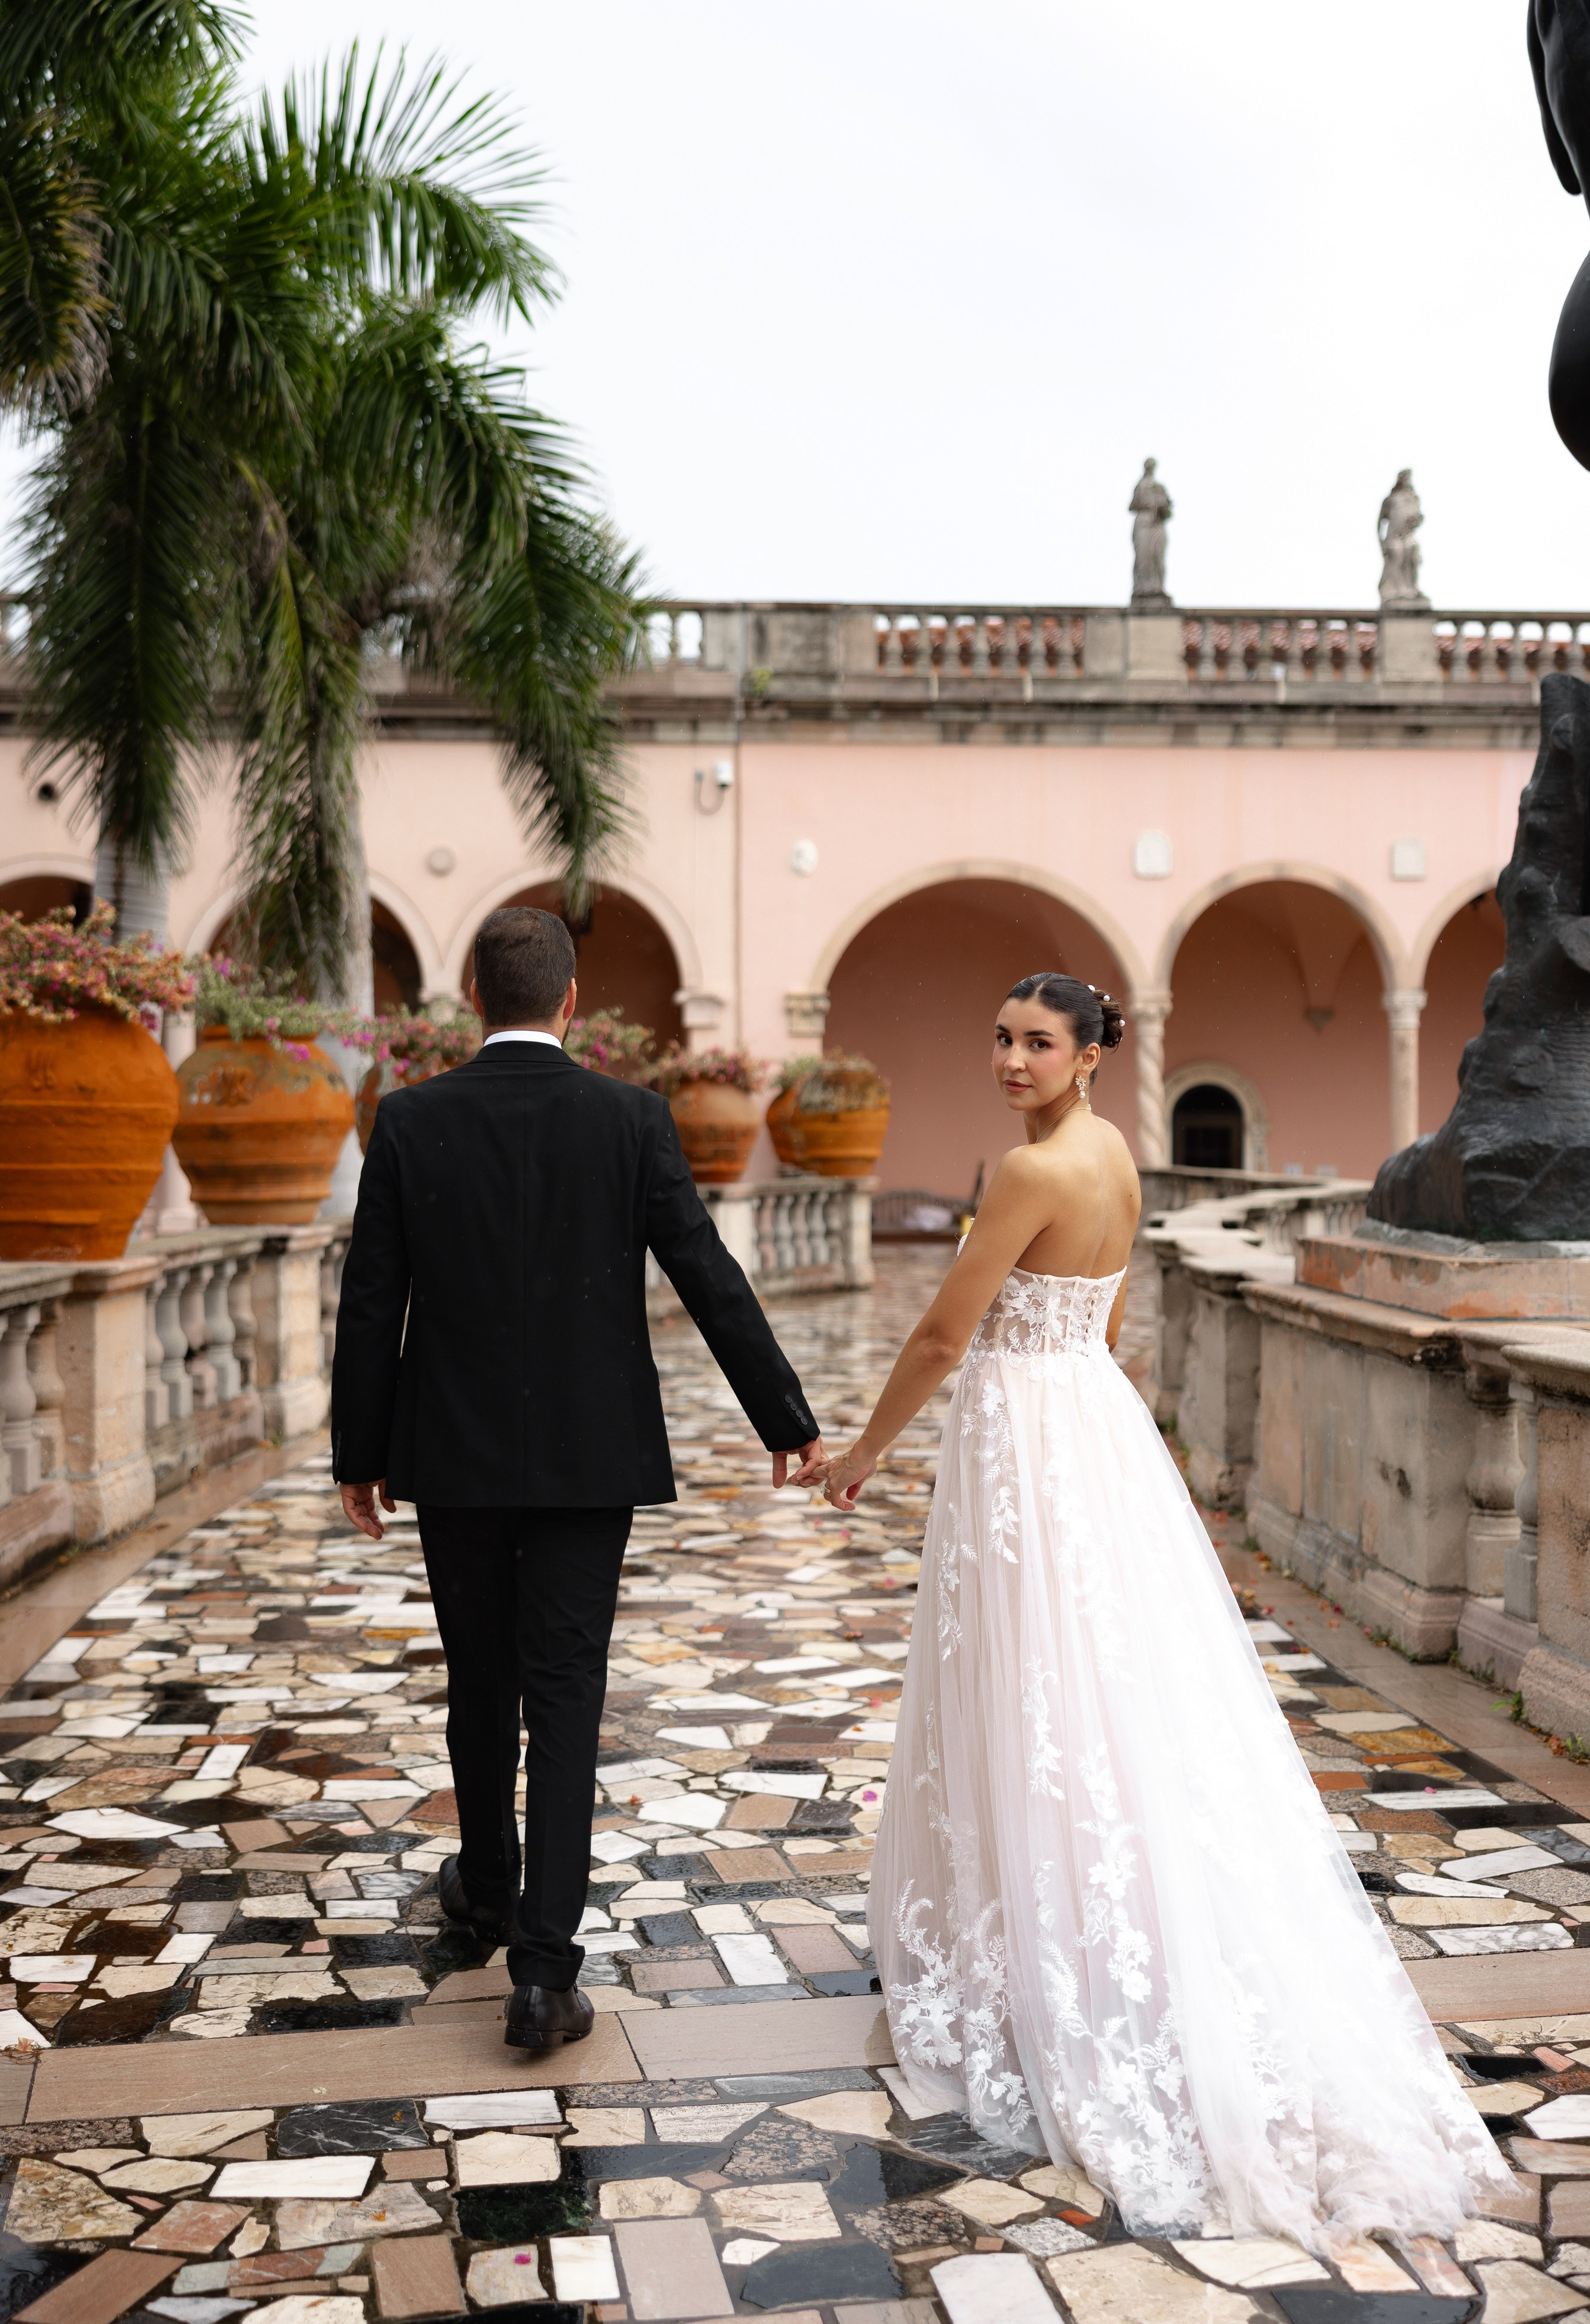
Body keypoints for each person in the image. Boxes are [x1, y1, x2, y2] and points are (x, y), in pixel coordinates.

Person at [799, 972, 1506, 2251]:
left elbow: (941, 1333)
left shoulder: (1026, 1175)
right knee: (1101, 1681)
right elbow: (1107, 1305)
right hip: (1090, 1418)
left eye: (1035, 1042)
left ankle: (1041, 1956)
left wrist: (858, 1452)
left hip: (1024, 1429)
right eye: (999, 1036)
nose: (1009, 1057)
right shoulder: (1115, 1149)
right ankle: (1059, 1923)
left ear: (1085, 1058)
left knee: (1030, 1682)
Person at [332, 905, 825, 2053]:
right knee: (563, 1697)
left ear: (474, 998)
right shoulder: (629, 1118)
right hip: (586, 1461)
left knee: (478, 1679)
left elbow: (371, 1301)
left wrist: (362, 1453)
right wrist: (785, 1416)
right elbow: (704, 1269)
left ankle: (491, 1890)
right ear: (569, 1004)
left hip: (450, 1457)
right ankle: (544, 1972)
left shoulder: (409, 1120)